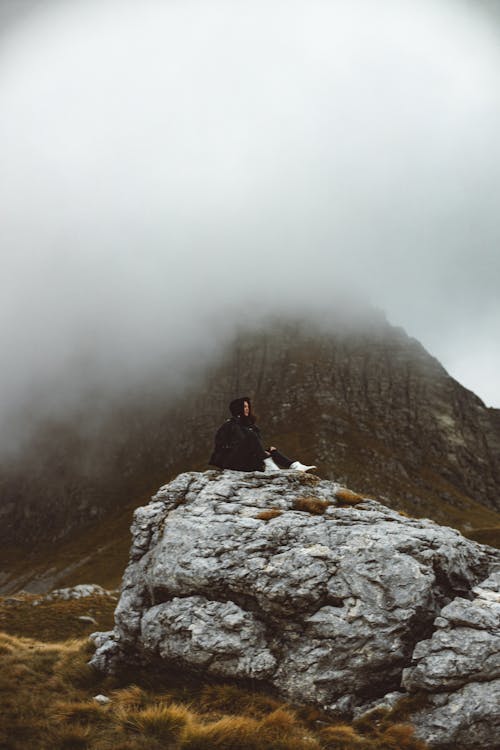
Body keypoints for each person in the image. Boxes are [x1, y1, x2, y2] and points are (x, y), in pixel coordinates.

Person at [209, 396, 316, 473]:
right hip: (232, 463)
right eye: (244, 407)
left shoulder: (250, 426)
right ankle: (270, 466)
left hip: (247, 462)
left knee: (271, 450)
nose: (247, 409)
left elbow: (253, 446)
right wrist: (262, 453)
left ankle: (295, 466)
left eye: (248, 406)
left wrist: (265, 452)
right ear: (238, 409)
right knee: (251, 437)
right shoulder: (229, 425)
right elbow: (224, 447)